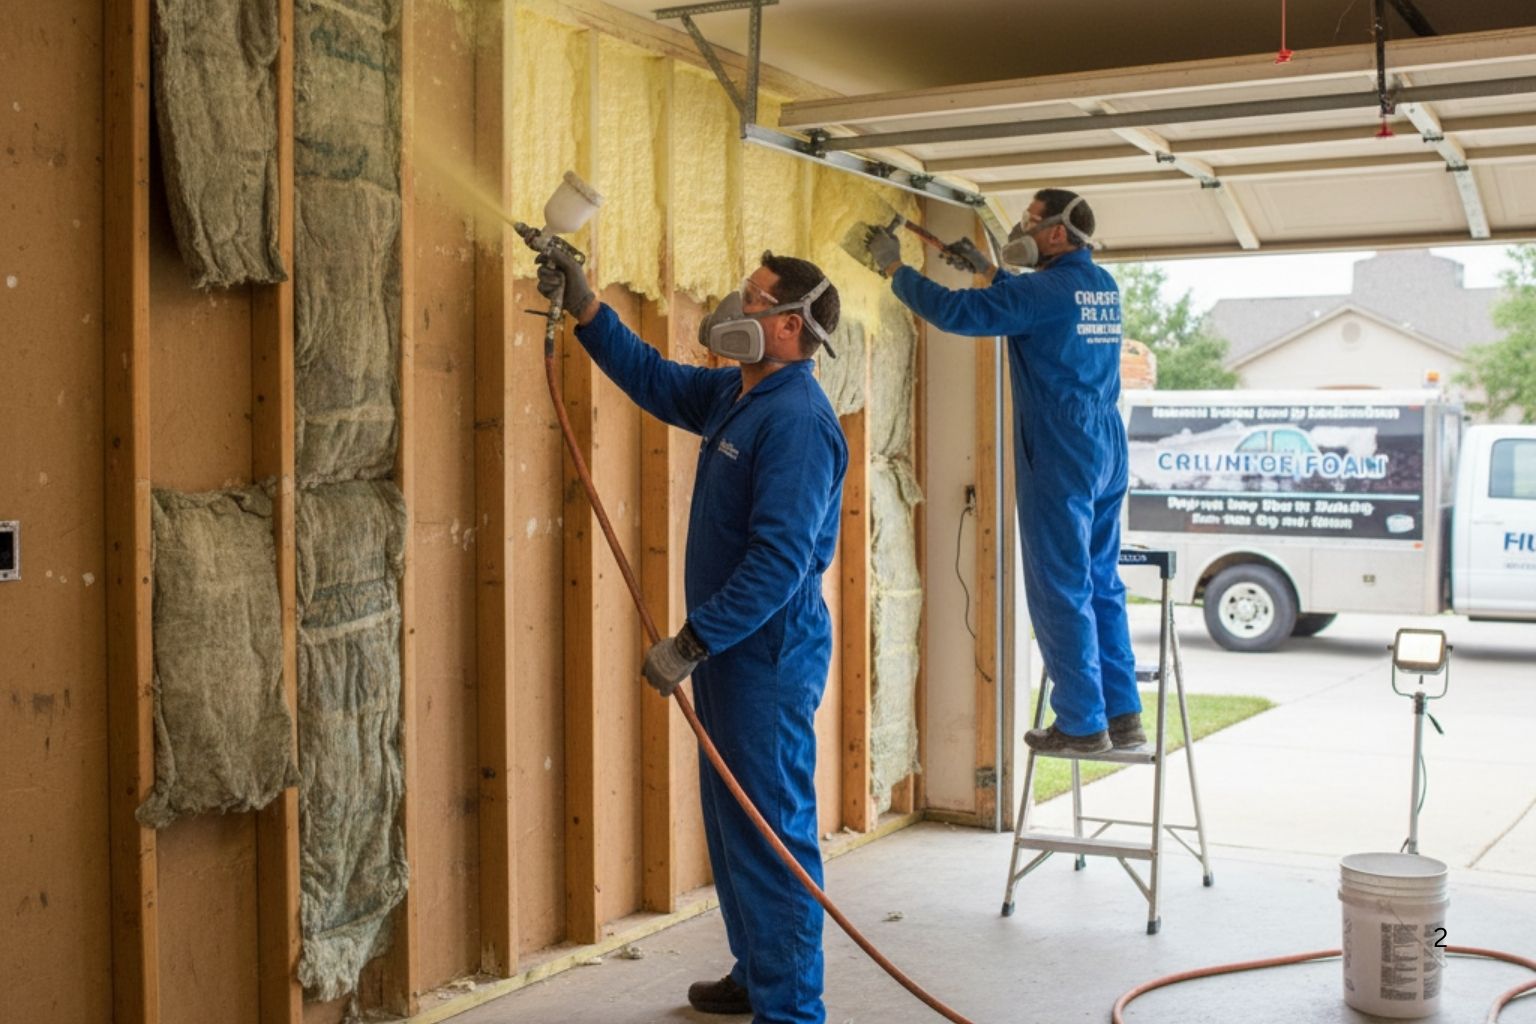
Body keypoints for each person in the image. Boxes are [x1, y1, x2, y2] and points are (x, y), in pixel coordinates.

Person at [534, 243, 847, 1024]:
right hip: (733, 650)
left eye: (751, 299)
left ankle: (794, 1010)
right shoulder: (739, 394)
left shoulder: (798, 422)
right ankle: (757, 971)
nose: (733, 308)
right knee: (733, 818)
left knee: (771, 831)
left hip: (765, 651)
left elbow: (777, 564)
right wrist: (587, 307)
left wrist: (693, 641)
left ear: (785, 329)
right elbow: (655, 379)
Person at [864, 189, 1143, 756]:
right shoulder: (1099, 286)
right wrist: (990, 270)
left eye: (1031, 222)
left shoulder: (1044, 290)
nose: (1021, 227)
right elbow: (1039, 306)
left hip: (1061, 445)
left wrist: (895, 268)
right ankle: (1123, 714)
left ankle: (1082, 723)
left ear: (1059, 235)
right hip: (1106, 444)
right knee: (1100, 581)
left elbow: (957, 314)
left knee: (1059, 582)